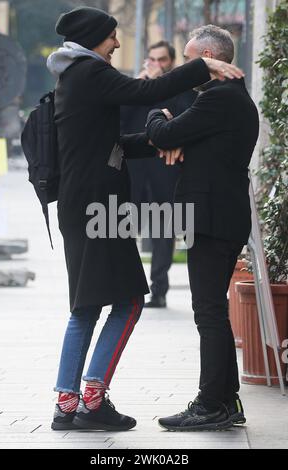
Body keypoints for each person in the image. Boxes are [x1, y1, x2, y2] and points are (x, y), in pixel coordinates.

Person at [46, 6, 244, 432]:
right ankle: (91, 400)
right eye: (113, 36)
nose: (117, 43)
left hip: (84, 203)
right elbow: (144, 92)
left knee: (85, 305)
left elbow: (111, 143)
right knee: (128, 301)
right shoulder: (88, 72)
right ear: (95, 38)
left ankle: (68, 404)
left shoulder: (74, 76)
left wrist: (160, 142)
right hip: (98, 207)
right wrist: (200, 67)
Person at [146, 25, 259, 431]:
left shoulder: (220, 99)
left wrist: (158, 112)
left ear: (210, 58)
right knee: (213, 312)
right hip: (219, 217)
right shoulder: (225, 98)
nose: (188, 68)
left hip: (211, 220)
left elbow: (164, 132)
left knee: (208, 313)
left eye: (192, 59)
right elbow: (178, 139)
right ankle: (225, 402)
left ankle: (212, 403)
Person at [121, 41, 198, 309]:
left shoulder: (181, 89)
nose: (157, 65)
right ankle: (128, 289)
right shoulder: (134, 87)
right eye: (152, 59)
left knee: (163, 234)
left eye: (162, 59)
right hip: (134, 172)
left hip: (164, 171)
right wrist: (142, 84)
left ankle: (159, 291)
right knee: (122, 230)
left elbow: (185, 121)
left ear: (172, 61)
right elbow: (119, 120)